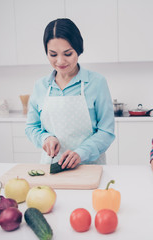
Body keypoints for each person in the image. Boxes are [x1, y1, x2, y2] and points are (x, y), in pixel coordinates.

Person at [25, 18, 115, 169]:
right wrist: (46, 138)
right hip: (51, 166)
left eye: (67, 53)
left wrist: (81, 152)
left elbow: (107, 131)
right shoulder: (41, 86)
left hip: (89, 167)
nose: (60, 61)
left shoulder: (96, 82)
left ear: (78, 50)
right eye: (53, 54)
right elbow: (31, 127)